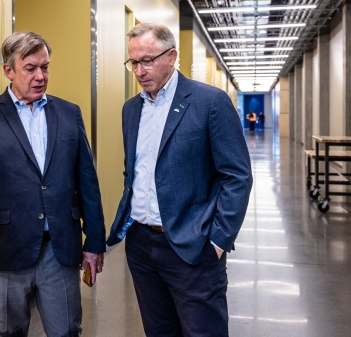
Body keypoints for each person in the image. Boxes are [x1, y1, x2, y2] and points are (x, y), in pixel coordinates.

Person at [0, 31, 105, 337]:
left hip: (60, 249)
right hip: (6, 249)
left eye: (45, 67)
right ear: (8, 70)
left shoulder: (69, 114)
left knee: (67, 330)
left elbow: (87, 181)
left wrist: (94, 242)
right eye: (30, 68)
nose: (40, 76)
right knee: (8, 331)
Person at [106, 23, 253, 337]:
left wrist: (218, 240)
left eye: (147, 60)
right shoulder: (131, 110)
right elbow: (134, 171)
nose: (139, 70)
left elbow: (237, 175)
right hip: (141, 245)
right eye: (133, 62)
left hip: (193, 244)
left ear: (171, 56)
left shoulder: (209, 102)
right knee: (158, 330)